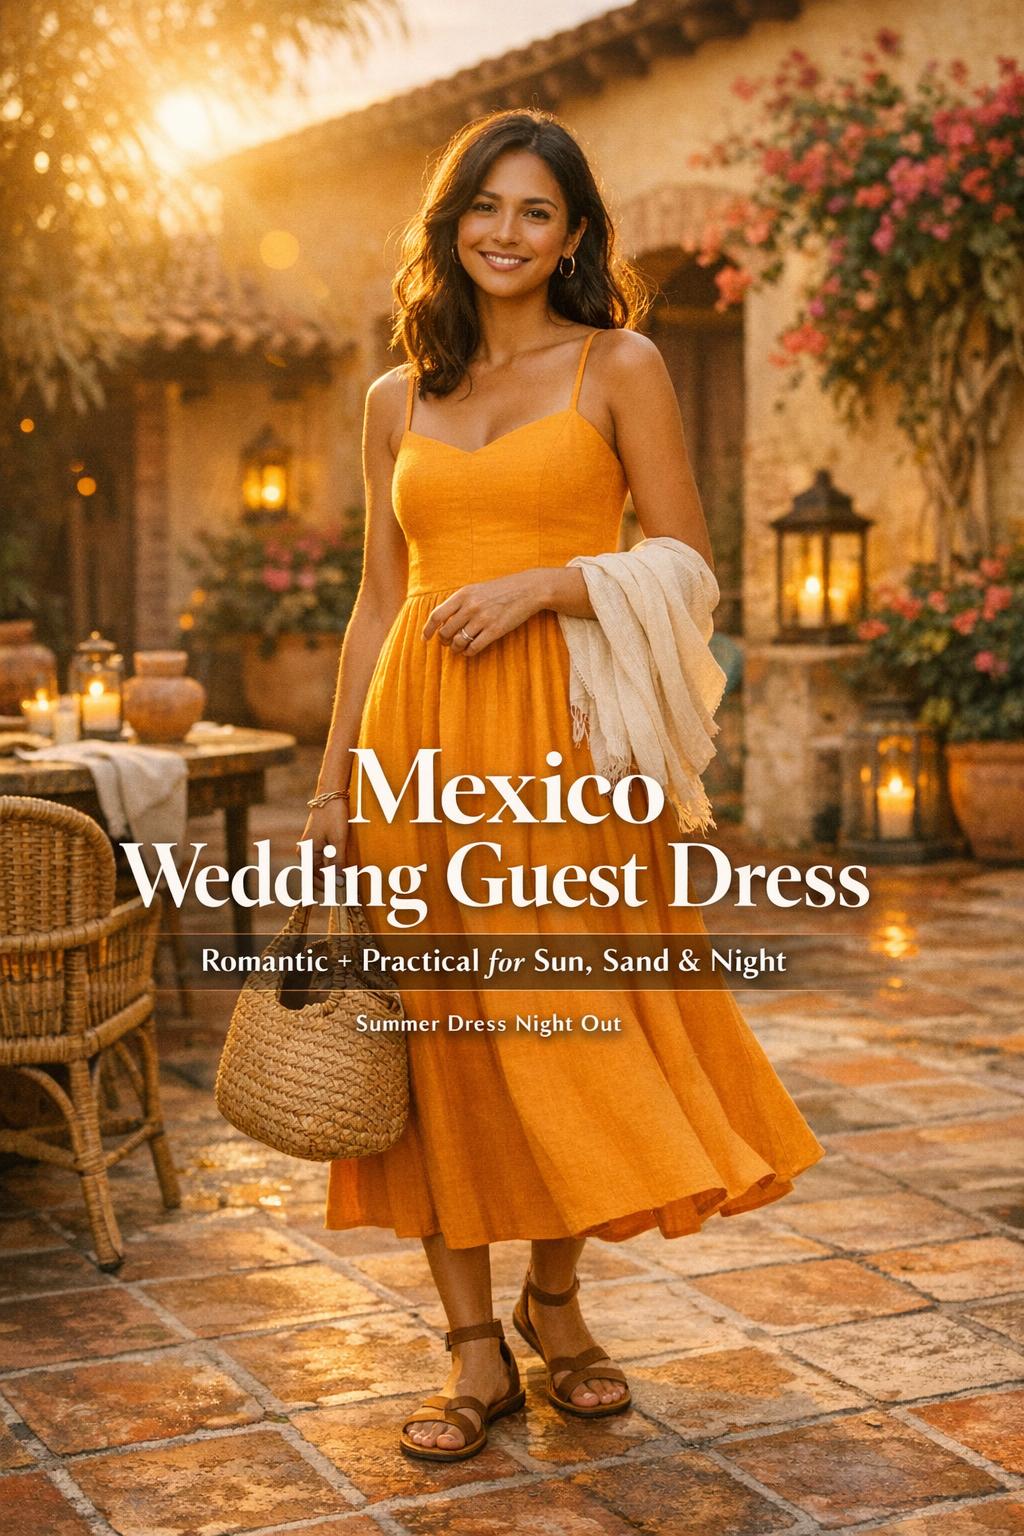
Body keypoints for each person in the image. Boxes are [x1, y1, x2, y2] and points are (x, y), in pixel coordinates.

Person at [300, 109, 825, 1462]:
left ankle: (559, 1298)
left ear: (576, 233)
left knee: (565, 1026)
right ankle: (472, 1346)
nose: (507, 231)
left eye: (537, 211)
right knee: (442, 1040)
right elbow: (376, 603)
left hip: (570, 763)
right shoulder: (391, 398)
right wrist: (330, 784)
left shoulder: (620, 364)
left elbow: (691, 562)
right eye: (486, 205)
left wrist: (547, 585)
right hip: (418, 754)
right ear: (451, 222)